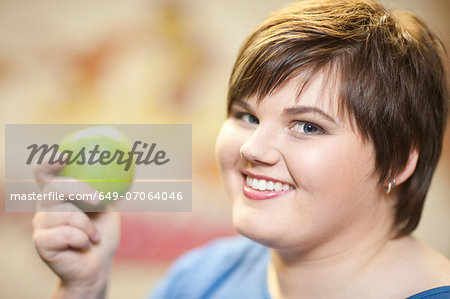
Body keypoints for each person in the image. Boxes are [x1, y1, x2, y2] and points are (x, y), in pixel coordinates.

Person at [32, 0, 450, 298]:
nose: (252, 147)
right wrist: (82, 288)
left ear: (397, 160)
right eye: (246, 116)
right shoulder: (201, 277)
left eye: (306, 126)